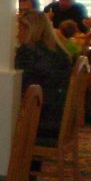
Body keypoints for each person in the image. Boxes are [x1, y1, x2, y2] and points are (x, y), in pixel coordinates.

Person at [16, 10, 72, 139]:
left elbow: (21, 86)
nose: (17, 34)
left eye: (20, 29)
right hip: (59, 117)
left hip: (41, 121)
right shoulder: (59, 51)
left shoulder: (28, 52)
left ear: (30, 30)